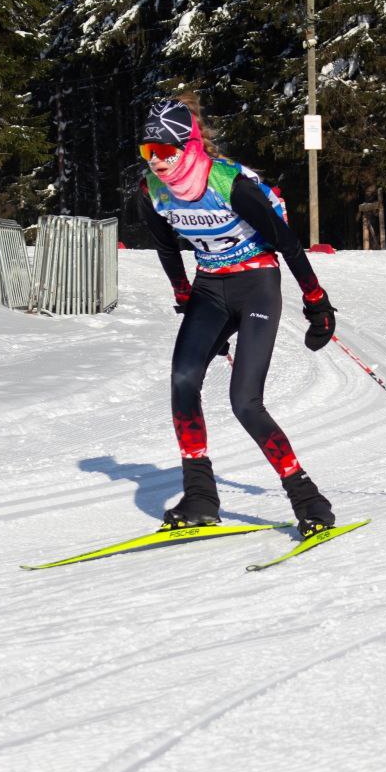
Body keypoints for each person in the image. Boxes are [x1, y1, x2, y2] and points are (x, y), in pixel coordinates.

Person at [138, 94, 337, 537]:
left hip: (256, 286)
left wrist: (316, 301)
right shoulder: (151, 190)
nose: (158, 163)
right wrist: (182, 293)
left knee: (244, 401)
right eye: (148, 152)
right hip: (210, 288)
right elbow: (167, 246)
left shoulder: (228, 183)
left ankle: (308, 499)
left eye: (166, 151)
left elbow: (285, 242)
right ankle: (200, 498)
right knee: (183, 380)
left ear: (187, 145)